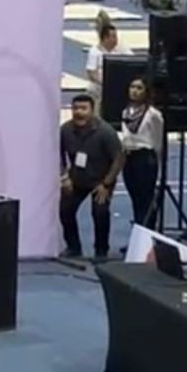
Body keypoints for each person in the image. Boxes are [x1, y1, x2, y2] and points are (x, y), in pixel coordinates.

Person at [59, 92, 122, 261]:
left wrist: (106, 184)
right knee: (65, 210)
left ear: (92, 111)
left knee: (100, 212)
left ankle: (101, 251)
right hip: (77, 178)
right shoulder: (65, 130)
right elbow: (58, 154)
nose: (79, 112)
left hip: (101, 180)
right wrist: (64, 177)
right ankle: (73, 247)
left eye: (83, 108)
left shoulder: (106, 132)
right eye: (75, 108)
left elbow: (118, 159)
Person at [120, 78, 163, 229]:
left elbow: (158, 140)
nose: (134, 91)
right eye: (132, 87)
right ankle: (138, 229)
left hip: (145, 158)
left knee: (146, 199)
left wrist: (157, 162)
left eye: (139, 88)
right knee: (135, 197)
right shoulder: (125, 112)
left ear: (146, 92)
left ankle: (148, 231)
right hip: (129, 158)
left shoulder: (153, 114)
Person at [85, 20, 132, 106]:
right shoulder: (94, 51)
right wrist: (106, 83)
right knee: (93, 88)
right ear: (105, 38)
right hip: (100, 86)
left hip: (118, 84)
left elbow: (133, 60)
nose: (116, 39)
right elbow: (91, 73)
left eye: (116, 36)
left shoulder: (121, 48)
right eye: (113, 37)